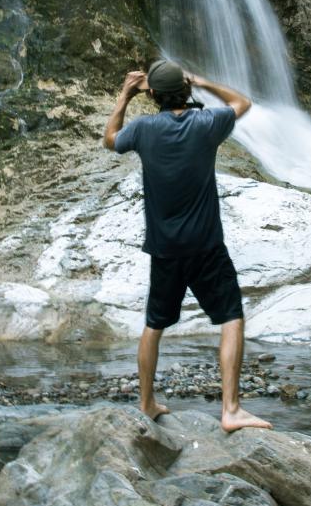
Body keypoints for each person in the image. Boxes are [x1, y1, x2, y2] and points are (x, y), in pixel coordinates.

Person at [103, 58, 271, 432]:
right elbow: (242, 102)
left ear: (155, 96)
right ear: (186, 90)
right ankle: (230, 410)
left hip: (165, 249)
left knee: (154, 324)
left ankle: (146, 403)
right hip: (207, 246)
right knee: (230, 318)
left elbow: (111, 139)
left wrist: (125, 95)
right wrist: (203, 81)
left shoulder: (144, 129)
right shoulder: (206, 123)